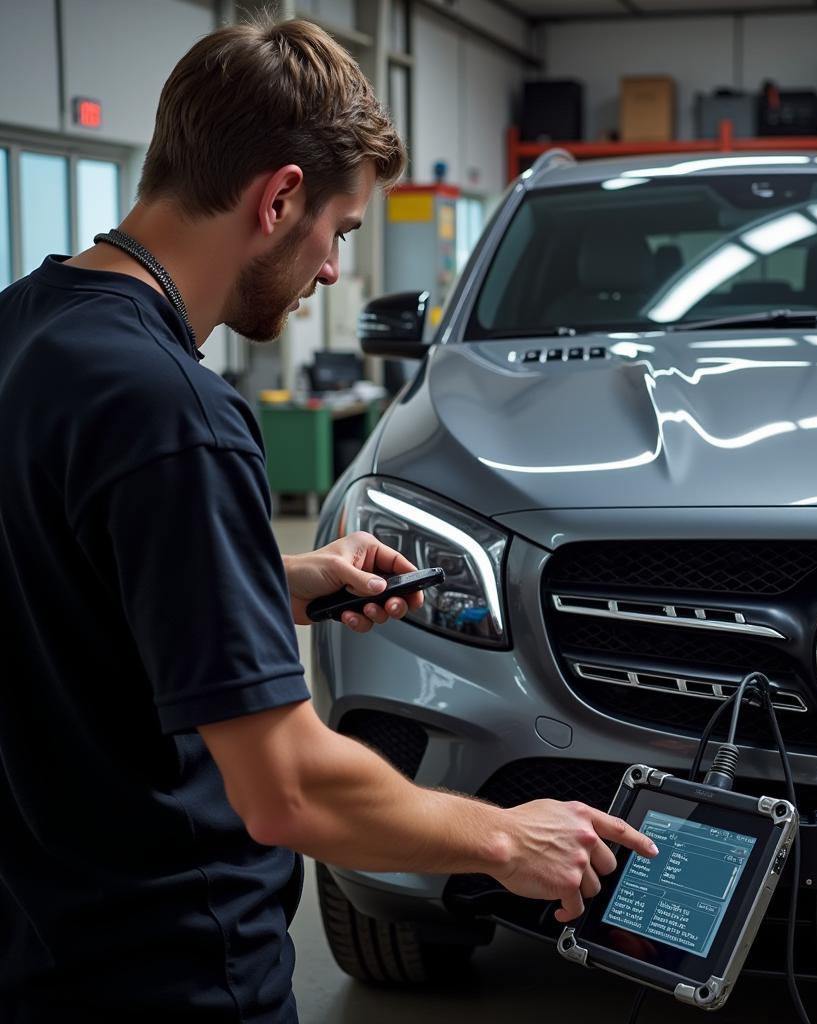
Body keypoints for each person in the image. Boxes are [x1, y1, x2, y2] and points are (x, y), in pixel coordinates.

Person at [0, 17, 657, 1023]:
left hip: (39, 938)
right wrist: (506, 838)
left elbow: (62, 586)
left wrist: (280, 579)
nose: (332, 273)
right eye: (339, 233)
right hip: (168, 968)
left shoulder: (26, 331)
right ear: (279, 198)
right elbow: (288, 790)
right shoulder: (177, 413)